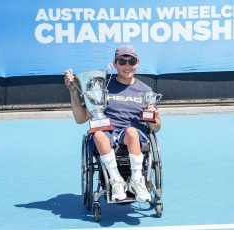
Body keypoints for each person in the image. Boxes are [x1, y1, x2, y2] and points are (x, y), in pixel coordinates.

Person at [64, 45, 161, 202]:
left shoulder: (146, 90)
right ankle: (116, 180)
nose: (127, 66)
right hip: (108, 133)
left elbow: (156, 127)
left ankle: (137, 181)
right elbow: (81, 119)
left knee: (131, 131)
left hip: (133, 135)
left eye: (132, 61)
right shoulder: (101, 85)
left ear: (138, 63)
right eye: (122, 61)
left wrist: (152, 117)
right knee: (98, 134)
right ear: (115, 64)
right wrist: (73, 91)